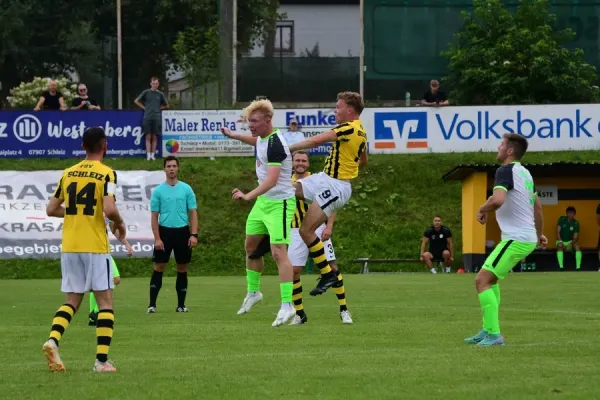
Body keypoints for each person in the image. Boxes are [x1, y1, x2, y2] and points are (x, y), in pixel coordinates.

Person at [43, 126, 126, 373]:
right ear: (105, 146)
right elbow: (109, 210)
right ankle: (101, 362)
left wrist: (75, 211)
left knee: (72, 300)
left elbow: (50, 209)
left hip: (70, 245)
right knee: (105, 302)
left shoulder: (68, 173)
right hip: (94, 245)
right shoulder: (107, 174)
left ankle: (52, 340)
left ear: (82, 147)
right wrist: (119, 223)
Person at [248, 151, 353, 325]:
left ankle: (344, 310)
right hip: (296, 230)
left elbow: (331, 205)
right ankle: (299, 314)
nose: (300, 163)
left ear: (308, 164)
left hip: (317, 229)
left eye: (304, 160)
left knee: (332, 266)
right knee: (294, 271)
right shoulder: (285, 182)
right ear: (292, 163)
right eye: (297, 160)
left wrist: (329, 226)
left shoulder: (317, 180)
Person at [464, 133, 547, 347]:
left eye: (501, 144)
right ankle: (487, 328)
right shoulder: (525, 174)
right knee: (490, 281)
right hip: (524, 237)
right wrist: (538, 235)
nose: (498, 147)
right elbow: (537, 208)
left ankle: (494, 335)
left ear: (509, 151)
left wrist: (482, 209)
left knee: (481, 281)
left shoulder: (505, 171)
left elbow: (498, 200)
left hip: (516, 238)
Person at [220, 98, 297, 327]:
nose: (250, 125)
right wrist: (235, 136)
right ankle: (254, 293)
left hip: (279, 204)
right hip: (263, 203)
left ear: (268, 120)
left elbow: (273, 180)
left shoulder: (276, 144)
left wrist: (248, 195)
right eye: (248, 121)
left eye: (254, 121)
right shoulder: (263, 138)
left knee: (278, 253)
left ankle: (287, 305)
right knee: (251, 248)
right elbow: (255, 141)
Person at [287, 91, 368, 296]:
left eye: (338, 106)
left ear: (349, 110)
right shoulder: (361, 132)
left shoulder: (348, 128)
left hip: (335, 186)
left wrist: (286, 148)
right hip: (324, 179)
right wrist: (351, 167)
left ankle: (328, 274)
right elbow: (364, 159)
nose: (335, 110)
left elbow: (315, 141)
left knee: (306, 230)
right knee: (286, 190)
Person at [148, 156, 198, 313]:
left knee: (182, 267)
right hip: (165, 232)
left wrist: (194, 234)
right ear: (164, 169)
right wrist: (157, 238)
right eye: (168, 166)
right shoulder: (158, 191)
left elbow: (193, 213)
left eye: (174, 166)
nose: (171, 168)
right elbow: (154, 216)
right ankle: (152, 305)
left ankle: (181, 305)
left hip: (182, 232)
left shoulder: (186, 189)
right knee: (159, 266)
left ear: (178, 168)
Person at [88, 216, 133, 326]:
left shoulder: (105, 210)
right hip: (94, 251)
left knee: (109, 281)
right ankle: (95, 313)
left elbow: (114, 229)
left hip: (103, 251)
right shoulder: (90, 210)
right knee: (110, 281)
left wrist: (126, 244)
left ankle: (94, 315)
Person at [134, 77, 169, 161]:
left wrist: (159, 108)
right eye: (153, 84)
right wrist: (144, 107)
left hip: (157, 117)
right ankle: (148, 155)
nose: (155, 85)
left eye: (156, 84)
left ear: (158, 84)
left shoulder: (160, 94)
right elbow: (136, 101)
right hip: (147, 117)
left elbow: (167, 105)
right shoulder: (146, 92)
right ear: (151, 84)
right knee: (148, 136)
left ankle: (153, 155)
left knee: (155, 137)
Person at [556, 206, 582, 271]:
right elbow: (558, 233)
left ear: (574, 214)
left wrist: (570, 244)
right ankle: (561, 267)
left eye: (572, 213)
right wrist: (561, 241)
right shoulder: (561, 219)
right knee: (560, 245)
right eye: (569, 213)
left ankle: (578, 267)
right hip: (561, 240)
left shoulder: (576, 223)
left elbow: (575, 237)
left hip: (570, 242)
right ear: (567, 213)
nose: (571, 214)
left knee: (577, 247)